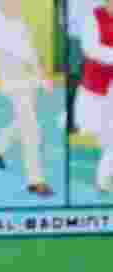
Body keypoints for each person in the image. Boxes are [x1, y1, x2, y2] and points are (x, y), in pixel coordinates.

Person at [0, 0, 55, 196]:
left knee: (23, 121)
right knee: (32, 130)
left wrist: (41, 75)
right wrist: (42, 77)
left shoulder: (20, 22)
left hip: (30, 82)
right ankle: (35, 181)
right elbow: (19, 58)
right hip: (16, 84)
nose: (15, 3)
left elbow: (32, 53)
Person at [73, 0, 113, 193]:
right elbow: (90, 48)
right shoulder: (92, 18)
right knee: (101, 134)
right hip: (97, 86)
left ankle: (103, 179)